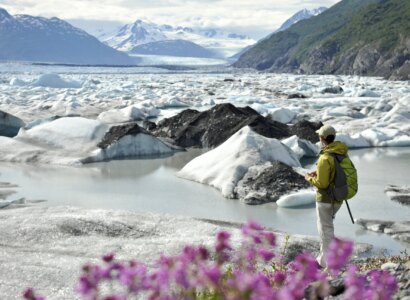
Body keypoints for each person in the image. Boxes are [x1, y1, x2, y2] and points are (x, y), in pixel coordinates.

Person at [304, 124, 349, 268]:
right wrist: (317, 173)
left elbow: (322, 184)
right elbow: (337, 173)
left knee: (325, 230)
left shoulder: (325, 157)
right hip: (338, 198)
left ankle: (329, 264)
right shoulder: (341, 153)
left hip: (325, 199)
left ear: (322, 138)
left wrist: (309, 178)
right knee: (327, 227)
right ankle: (322, 261)